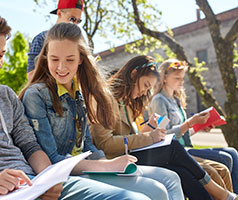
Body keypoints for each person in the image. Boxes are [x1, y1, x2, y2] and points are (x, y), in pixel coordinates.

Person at [0, 9, 148, 200]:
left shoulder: (6, 95)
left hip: (34, 184)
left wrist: (47, 179)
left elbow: (30, 145)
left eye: (1, 54)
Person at [20, 22, 185, 200]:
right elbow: (51, 157)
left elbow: (88, 144)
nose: (61, 67)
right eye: (54, 59)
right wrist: (106, 166)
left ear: (81, 59)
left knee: (170, 178)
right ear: (45, 57)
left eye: (69, 60)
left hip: (91, 167)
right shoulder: (36, 96)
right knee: (155, 190)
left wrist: (108, 163)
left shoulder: (80, 93)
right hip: (67, 174)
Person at [89, 55, 238, 200]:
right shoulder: (104, 99)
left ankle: (218, 195)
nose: (145, 92)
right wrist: (150, 137)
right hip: (117, 160)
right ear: (134, 74)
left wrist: (149, 130)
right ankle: (219, 193)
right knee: (174, 148)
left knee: (183, 173)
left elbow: (131, 137)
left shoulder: (126, 102)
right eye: (146, 85)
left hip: (132, 155)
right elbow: (106, 144)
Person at [148, 58, 238, 193]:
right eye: (177, 78)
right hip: (177, 152)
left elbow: (183, 133)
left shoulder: (176, 101)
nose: (181, 82)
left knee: (232, 152)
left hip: (185, 147)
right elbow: (164, 134)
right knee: (224, 158)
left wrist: (199, 127)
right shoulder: (159, 101)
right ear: (164, 78)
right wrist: (191, 123)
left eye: (182, 78)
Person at [27, 0, 84, 80]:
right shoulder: (41, 39)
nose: (75, 25)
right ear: (59, 13)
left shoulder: (79, 42)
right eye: (72, 19)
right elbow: (31, 75)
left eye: (78, 21)